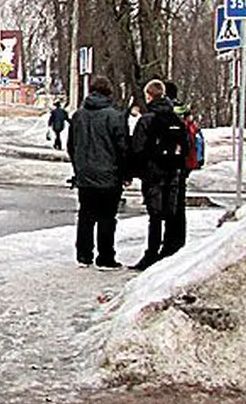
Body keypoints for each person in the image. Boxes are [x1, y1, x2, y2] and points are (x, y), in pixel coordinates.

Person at [67, 76, 129, 269]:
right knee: (107, 217)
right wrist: (126, 173)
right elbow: (122, 147)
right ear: (109, 93)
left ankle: (84, 255)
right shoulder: (115, 116)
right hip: (110, 175)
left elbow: (71, 145)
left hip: (85, 176)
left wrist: (79, 167)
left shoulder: (79, 116)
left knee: (85, 215)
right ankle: (105, 257)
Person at [130, 78, 188, 271]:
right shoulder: (175, 119)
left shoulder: (147, 120)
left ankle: (151, 254)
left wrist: (135, 172)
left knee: (154, 216)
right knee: (170, 213)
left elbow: (137, 148)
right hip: (173, 172)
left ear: (149, 96)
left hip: (153, 173)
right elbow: (185, 147)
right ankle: (169, 251)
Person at [163, 80, 190, 257]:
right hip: (182, 162)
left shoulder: (168, 112)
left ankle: (169, 243)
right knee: (179, 205)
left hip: (168, 163)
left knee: (168, 205)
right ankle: (179, 240)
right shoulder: (184, 110)